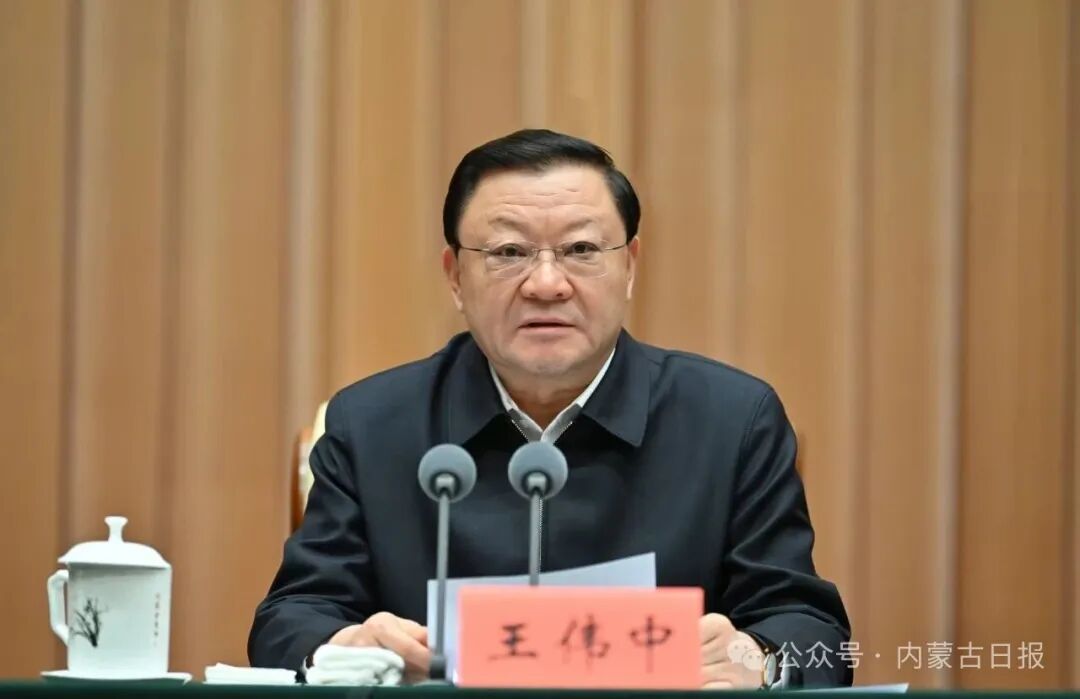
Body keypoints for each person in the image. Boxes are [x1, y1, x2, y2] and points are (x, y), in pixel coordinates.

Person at [249, 129, 852, 688]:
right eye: (508, 251)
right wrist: (343, 647)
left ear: (629, 266)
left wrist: (756, 658)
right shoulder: (371, 425)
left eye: (581, 249)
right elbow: (292, 618)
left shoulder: (732, 420)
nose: (546, 284)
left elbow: (813, 631)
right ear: (455, 276)